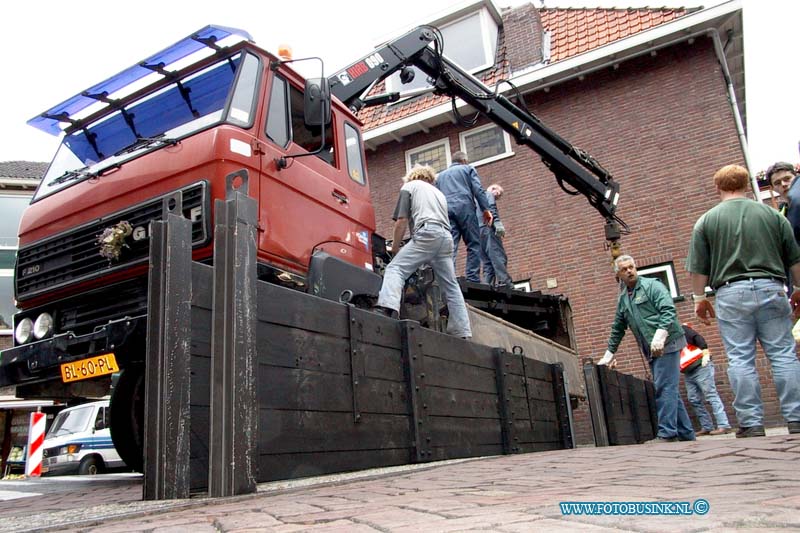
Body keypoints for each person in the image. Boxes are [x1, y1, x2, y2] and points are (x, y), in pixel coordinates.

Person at [687, 164, 800, 438]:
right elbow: (795, 258)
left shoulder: (707, 221)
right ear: (747, 186)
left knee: (740, 358)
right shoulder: (773, 217)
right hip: (772, 287)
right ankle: (796, 418)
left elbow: (698, 268)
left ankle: (750, 423)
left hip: (730, 292)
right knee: (783, 354)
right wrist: (797, 288)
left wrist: (700, 298)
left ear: (718, 188)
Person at [597, 254, 695, 443]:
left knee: (664, 386)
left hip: (667, 343)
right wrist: (609, 354)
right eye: (624, 269)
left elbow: (668, 309)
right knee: (668, 387)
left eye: (632, 267)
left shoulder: (652, 286)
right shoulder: (624, 299)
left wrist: (661, 334)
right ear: (618, 275)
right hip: (652, 349)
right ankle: (686, 433)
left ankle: (667, 433)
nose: (629, 271)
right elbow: (618, 327)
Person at [374, 165, 472, 338]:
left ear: (411, 177)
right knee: (450, 285)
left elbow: (402, 221)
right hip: (445, 239)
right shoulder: (439, 194)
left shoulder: (409, 187)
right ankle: (462, 330)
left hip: (427, 233)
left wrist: (395, 248)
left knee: (395, 269)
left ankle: (387, 309)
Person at [435, 151, 492, 282]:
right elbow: (478, 190)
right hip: (465, 208)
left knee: (451, 245)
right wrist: (486, 209)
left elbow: (437, 196)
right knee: (473, 243)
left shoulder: (440, 176)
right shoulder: (468, 169)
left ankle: (449, 277)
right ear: (464, 161)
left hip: (446, 211)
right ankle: (472, 277)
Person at [680, 323, 733, 436]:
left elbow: (697, 338)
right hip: (688, 371)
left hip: (701, 366)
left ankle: (724, 425)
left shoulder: (682, 330)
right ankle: (707, 427)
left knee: (710, 394)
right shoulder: (665, 339)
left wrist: (705, 352)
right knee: (693, 399)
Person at [477, 184, 513, 287]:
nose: (498, 197)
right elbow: (491, 208)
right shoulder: (488, 194)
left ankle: (486, 287)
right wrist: (497, 223)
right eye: (499, 193)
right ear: (493, 189)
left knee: (487, 263)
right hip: (488, 228)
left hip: (477, 231)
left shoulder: (476, 198)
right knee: (499, 256)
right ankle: (505, 283)